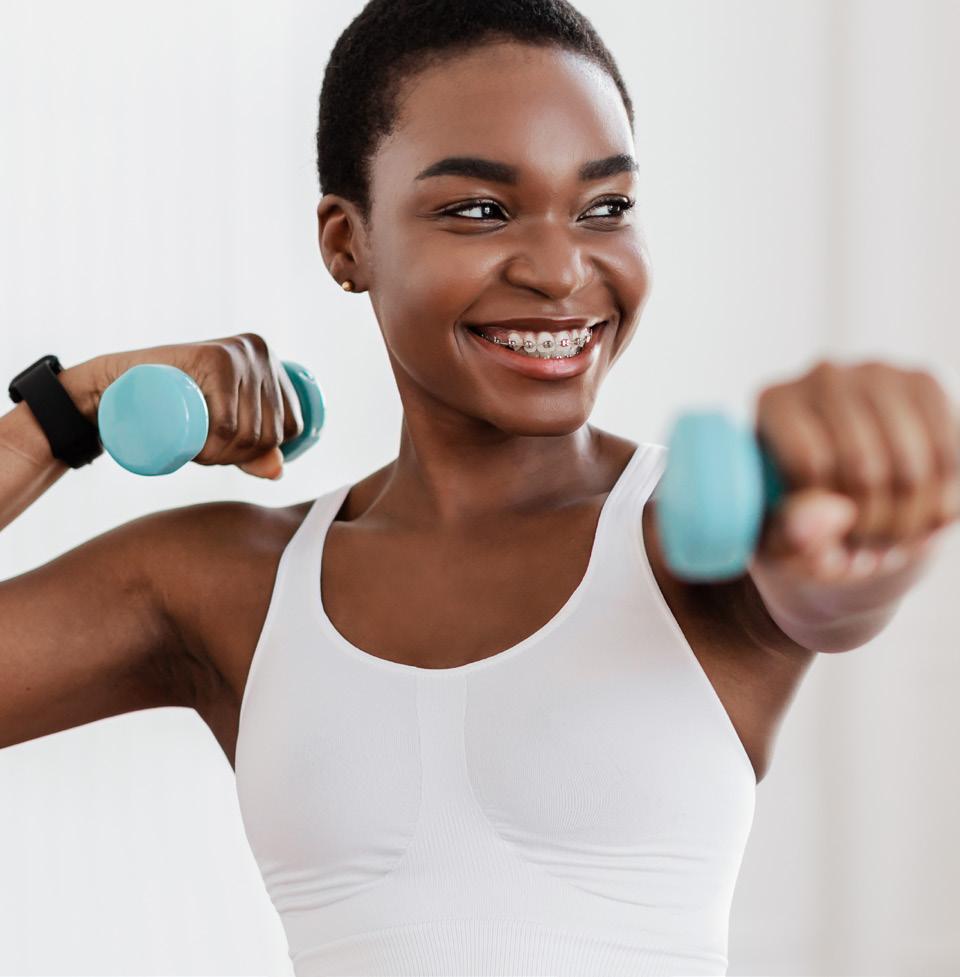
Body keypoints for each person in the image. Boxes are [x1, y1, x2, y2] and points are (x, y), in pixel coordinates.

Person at [2, 1, 957, 975]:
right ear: (347, 241)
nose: (561, 270)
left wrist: (876, 507)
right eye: (479, 210)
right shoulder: (230, 581)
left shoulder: (691, 538)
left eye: (605, 207)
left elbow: (831, 578)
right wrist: (64, 412)